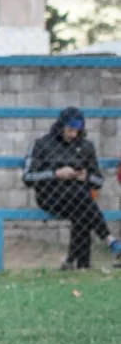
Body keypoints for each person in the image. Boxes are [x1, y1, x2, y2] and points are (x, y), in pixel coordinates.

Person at [23, 107, 121, 270]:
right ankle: (109, 240)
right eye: (70, 130)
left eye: (77, 130)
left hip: (79, 197)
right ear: (61, 126)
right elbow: (28, 177)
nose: (73, 134)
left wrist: (85, 177)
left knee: (81, 210)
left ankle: (75, 264)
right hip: (50, 196)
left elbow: (98, 181)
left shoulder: (86, 146)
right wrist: (56, 174)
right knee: (83, 201)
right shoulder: (41, 144)